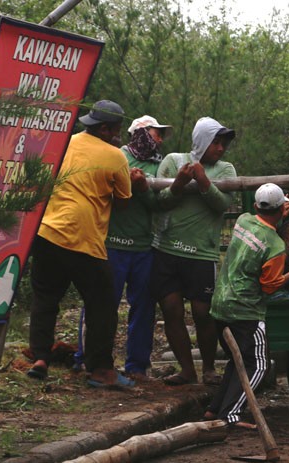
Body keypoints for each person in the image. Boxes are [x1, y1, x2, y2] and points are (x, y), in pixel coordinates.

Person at [27, 100, 147, 388]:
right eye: (116, 129)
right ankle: (101, 370)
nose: (119, 134)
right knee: (102, 304)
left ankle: (40, 358)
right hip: (83, 237)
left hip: (47, 231)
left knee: (45, 298)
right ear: (105, 129)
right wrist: (132, 185)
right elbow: (122, 202)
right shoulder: (115, 157)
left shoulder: (66, 143)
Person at [205, 183, 289, 428]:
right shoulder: (275, 246)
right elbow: (270, 286)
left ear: (256, 206)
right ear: (281, 209)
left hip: (220, 303)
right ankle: (230, 416)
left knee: (238, 361)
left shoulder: (243, 220)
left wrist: (277, 212)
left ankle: (215, 410)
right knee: (258, 365)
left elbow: (263, 222)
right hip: (245, 311)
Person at [151, 116, 237, 386]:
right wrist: (177, 185)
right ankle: (187, 370)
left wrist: (203, 181)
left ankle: (209, 369)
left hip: (202, 253)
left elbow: (222, 205)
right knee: (171, 309)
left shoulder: (225, 170)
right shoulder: (173, 161)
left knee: (203, 312)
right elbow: (160, 202)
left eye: (224, 144)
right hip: (167, 249)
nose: (221, 148)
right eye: (215, 142)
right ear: (201, 141)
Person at [103, 115, 172, 380]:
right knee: (102, 303)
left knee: (144, 307)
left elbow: (158, 204)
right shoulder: (117, 157)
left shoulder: (159, 165)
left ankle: (137, 366)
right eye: (156, 133)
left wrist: (143, 189)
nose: (160, 140)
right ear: (141, 133)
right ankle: (94, 360)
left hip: (143, 246)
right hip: (112, 243)